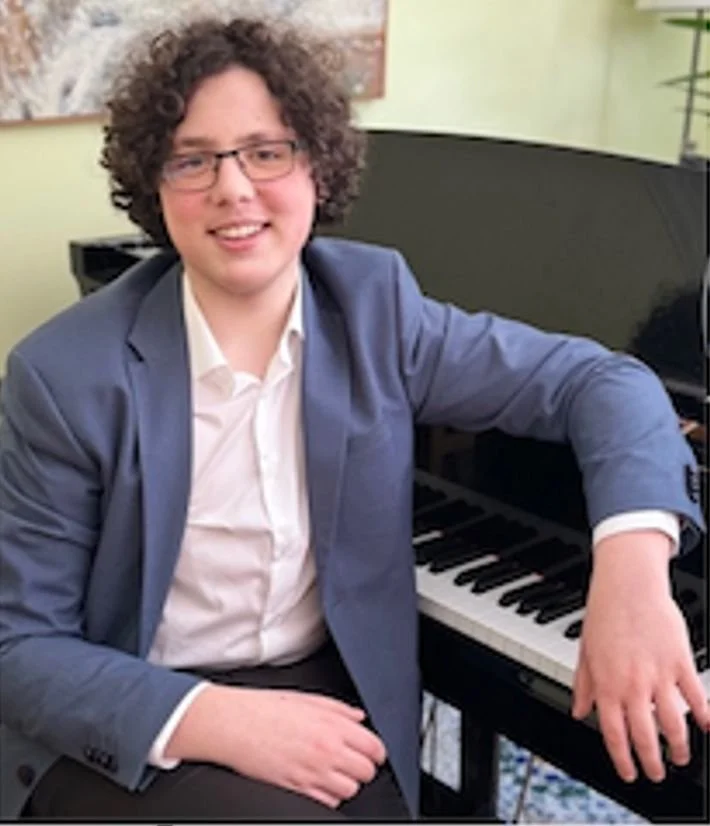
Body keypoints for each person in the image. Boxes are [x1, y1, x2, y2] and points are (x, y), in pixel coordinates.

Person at [0, 14, 707, 822]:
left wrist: (633, 575)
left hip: (327, 683)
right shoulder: (62, 374)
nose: (233, 189)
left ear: (317, 169)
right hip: (137, 710)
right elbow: (19, 649)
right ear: (154, 187)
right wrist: (215, 718)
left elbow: (601, 379)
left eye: (267, 152)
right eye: (193, 160)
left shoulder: (376, 310)